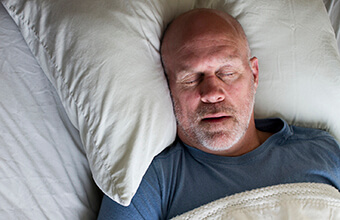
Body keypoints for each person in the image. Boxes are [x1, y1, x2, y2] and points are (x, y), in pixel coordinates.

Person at [98, 8, 340, 219]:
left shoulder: (323, 151)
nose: (212, 93)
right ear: (168, 86)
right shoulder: (149, 183)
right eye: (192, 78)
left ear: (254, 75)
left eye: (226, 72)